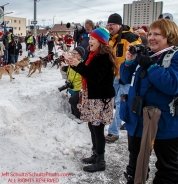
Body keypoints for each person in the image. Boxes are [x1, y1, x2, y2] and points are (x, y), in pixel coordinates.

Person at [120, 19, 178, 184]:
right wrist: (129, 61)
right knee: (135, 164)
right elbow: (125, 79)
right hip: (138, 120)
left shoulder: (175, 56)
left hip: (164, 124)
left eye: (157, 34)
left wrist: (151, 66)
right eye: (150, 34)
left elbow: (173, 85)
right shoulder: (147, 55)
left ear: (169, 36)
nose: (151, 37)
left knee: (167, 168)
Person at [68, 27, 118, 172]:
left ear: (101, 41)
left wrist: (78, 65)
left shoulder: (104, 57)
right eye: (89, 38)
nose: (89, 41)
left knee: (98, 128)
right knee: (92, 126)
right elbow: (87, 73)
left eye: (93, 39)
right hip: (92, 96)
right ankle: (95, 154)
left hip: (101, 98)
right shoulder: (93, 55)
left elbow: (95, 77)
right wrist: (74, 64)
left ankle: (100, 161)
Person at [105, 13, 141, 143]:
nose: (109, 27)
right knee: (115, 103)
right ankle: (126, 119)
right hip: (115, 77)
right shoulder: (111, 39)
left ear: (119, 25)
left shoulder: (130, 38)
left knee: (121, 103)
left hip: (127, 79)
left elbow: (138, 54)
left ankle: (113, 132)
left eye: (112, 24)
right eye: (108, 24)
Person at [60, 46, 85, 120]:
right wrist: (63, 69)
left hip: (79, 88)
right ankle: (73, 115)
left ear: (80, 55)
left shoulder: (82, 65)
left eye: (75, 53)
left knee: (73, 101)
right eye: (72, 53)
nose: (72, 55)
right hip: (72, 87)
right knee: (73, 103)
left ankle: (79, 117)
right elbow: (67, 74)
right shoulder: (71, 63)